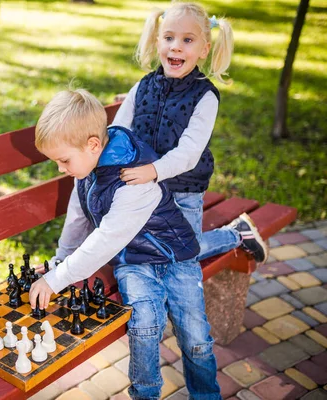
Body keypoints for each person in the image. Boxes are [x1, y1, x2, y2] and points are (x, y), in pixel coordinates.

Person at [29, 88, 221, 400]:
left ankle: (206, 396)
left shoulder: (131, 179)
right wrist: (58, 261)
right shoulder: (87, 169)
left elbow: (106, 239)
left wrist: (58, 278)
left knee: (195, 338)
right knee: (143, 326)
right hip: (133, 260)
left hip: (174, 255)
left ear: (93, 145)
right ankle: (145, 395)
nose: (60, 169)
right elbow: (77, 218)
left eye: (63, 160)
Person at [113, 2, 268, 264]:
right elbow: (118, 130)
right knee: (145, 249)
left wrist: (153, 170)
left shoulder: (205, 96)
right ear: (158, 41)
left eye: (187, 40)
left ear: (204, 50)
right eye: (169, 38)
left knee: (185, 252)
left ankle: (236, 234)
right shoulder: (142, 86)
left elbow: (189, 152)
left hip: (184, 190)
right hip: (144, 188)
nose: (175, 46)